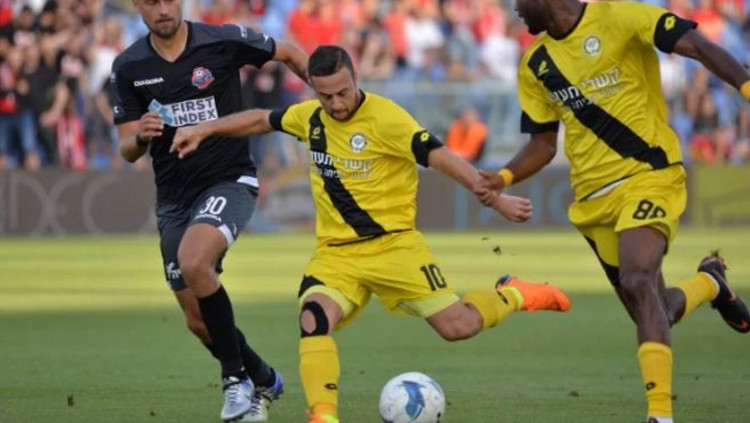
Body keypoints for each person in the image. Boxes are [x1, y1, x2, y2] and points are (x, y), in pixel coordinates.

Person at [171, 45, 572, 423]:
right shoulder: (310, 117)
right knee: (313, 318)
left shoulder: (387, 118)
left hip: (395, 246)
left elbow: (439, 156)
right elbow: (262, 118)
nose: (336, 104)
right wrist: (207, 129)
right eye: (326, 96)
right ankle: (323, 414)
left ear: (356, 78)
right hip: (337, 255)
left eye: (343, 93)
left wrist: (494, 197)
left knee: (458, 327)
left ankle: (513, 293)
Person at [474, 1, 750, 422]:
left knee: (638, 279)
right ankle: (710, 282)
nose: (516, 9)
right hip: (593, 201)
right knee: (656, 308)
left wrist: (746, 87)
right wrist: (504, 177)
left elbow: (696, 45)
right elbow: (543, 145)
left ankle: (660, 414)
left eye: (520, 1)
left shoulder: (620, 17)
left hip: (649, 175)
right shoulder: (535, 64)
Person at [110, 0, 308, 421]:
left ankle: (234, 380)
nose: (162, 9)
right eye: (151, 2)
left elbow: (290, 52)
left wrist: (334, 103)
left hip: (229, 180)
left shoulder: (222, 41)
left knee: (194, 262)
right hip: (173, 200)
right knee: (198, 321)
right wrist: (141, 136)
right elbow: (127, 149)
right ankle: (263, 377)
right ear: (137, 7)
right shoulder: (128, 66)